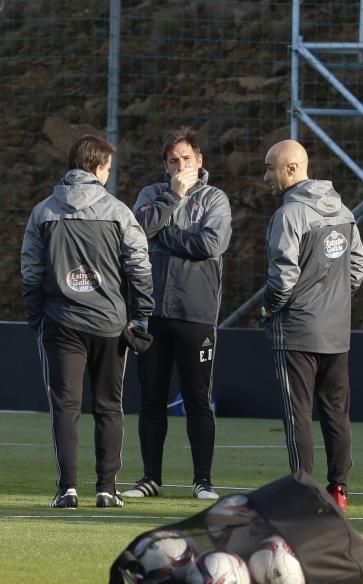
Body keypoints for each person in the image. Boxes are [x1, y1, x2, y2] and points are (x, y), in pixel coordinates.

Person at [20, 134, 154, 509]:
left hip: (61, 322)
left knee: (66, 407)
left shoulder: (44, 211)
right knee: (110, 406)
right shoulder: (118, 211)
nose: (109, 174)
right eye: (108, 168)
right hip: (110, 325)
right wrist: (141, 314)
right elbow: (140, 266)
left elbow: (30, 270)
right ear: (97, 168)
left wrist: (37, 315)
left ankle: (68, 489)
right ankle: (107, 489)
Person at [123, 128, 233, 501]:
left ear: (200, 160)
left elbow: (211, 244)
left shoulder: (216, 198)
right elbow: (137, 232)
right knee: (151, 399)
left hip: (196, 313)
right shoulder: (153, 195)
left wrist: (163, 236)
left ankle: (203, 480)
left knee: (197, 399)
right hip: (151, 311)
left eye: (187, 158)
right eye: (173, 160)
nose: (181, 165)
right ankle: (150, 478)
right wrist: (174, 196)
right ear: (165, 165)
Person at [261, 139, 363, 512]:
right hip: (336, 333)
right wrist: (335, 301)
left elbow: (283, 280)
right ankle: (339, 489)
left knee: (297, 415)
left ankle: (303, 493)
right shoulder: (343, 211)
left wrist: (268, 308)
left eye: (270, 168)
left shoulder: (289, 216)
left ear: (291, 169)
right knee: (337, 413)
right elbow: (358, 267)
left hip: (296, 332)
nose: (265, 177)